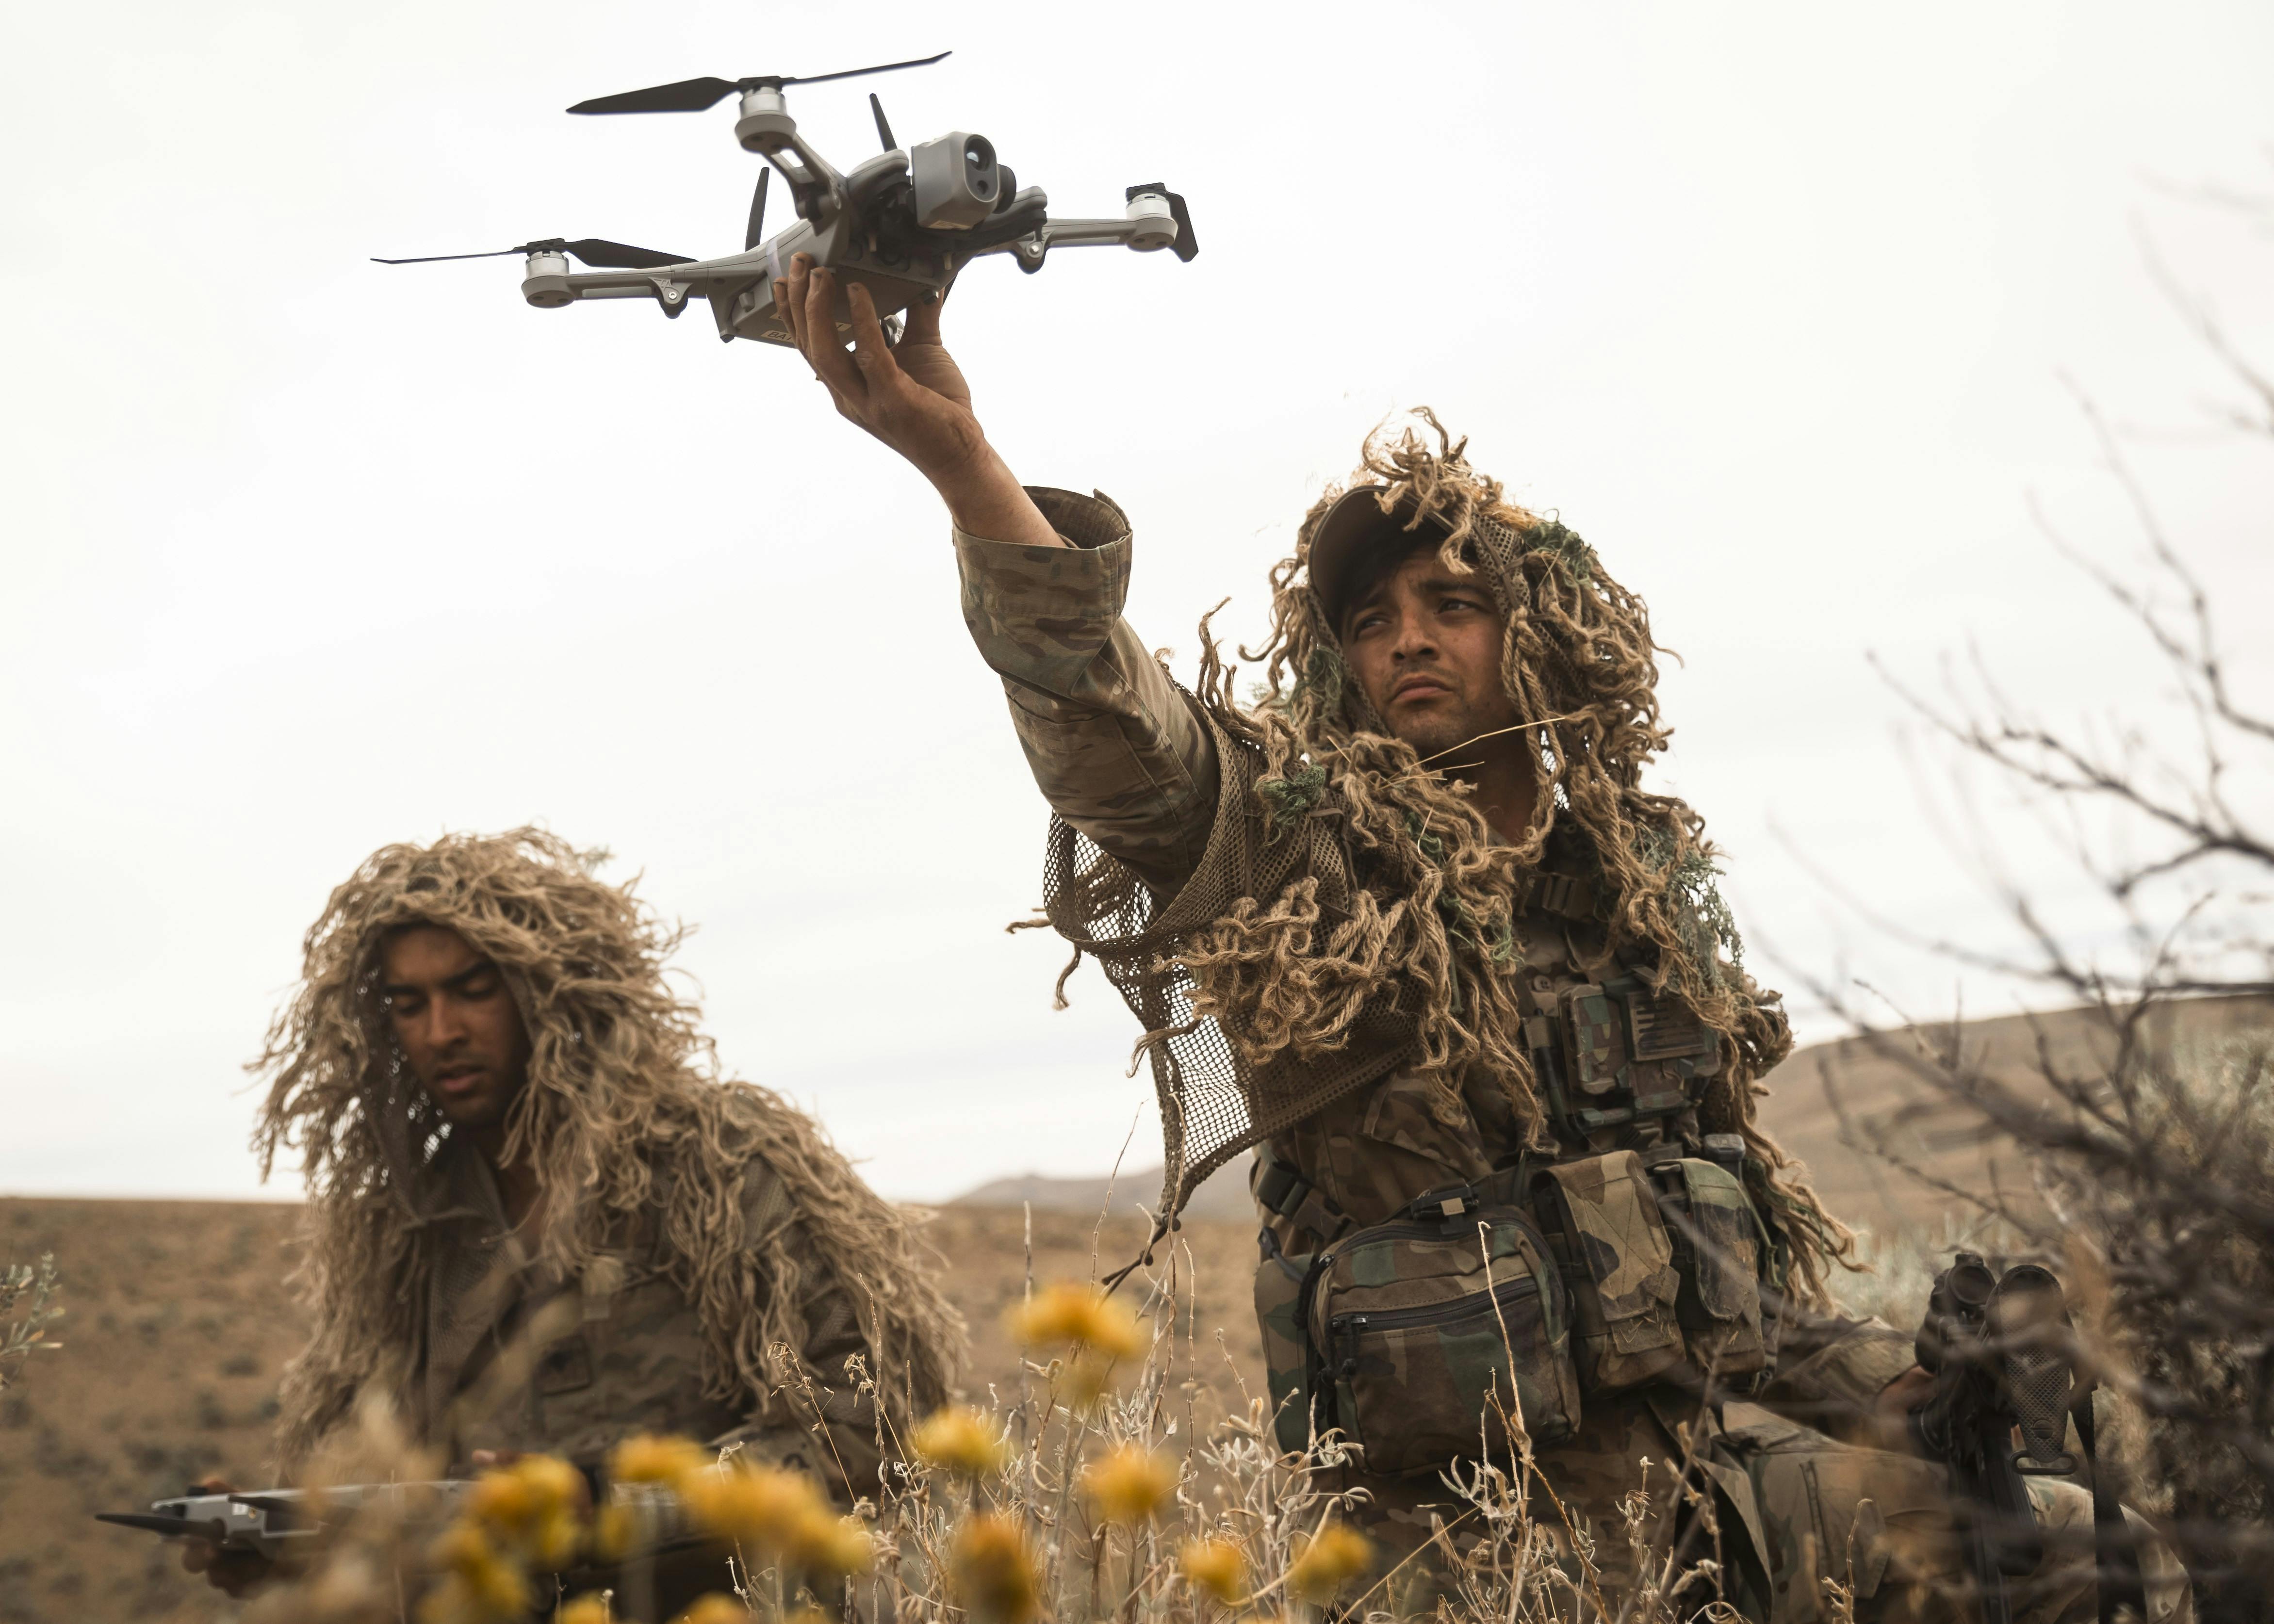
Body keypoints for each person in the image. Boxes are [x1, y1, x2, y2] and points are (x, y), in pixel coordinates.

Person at [764, 256, 2192, 1623]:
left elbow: (1747, 1308)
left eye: (1453, 603)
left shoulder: (1638, 905)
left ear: (1539, 636)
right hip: (1463, 1544)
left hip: (1719, 1490)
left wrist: (1928, 1387)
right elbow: (1117, 730)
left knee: (2064, 1542)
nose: (1411, 640)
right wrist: (967, 466)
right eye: (1373, 621)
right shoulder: (1297, 868)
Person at [181, 828, 962, 1607]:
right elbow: (413, 1500)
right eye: (408, 1004)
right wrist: (296, 1547)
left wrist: (613, 1503)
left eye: (472, 989)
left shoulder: (717, 1165)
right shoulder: (410, 1227)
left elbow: (873, 1433)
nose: (442, 1031)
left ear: (546, 989)